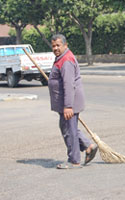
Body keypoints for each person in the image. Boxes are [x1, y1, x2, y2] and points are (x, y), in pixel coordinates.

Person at [48, 34, 97, 169]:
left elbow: (69, 85)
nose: (56, 48)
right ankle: (88, 146)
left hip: (70, 103)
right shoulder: (61, 58)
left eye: (58, 45)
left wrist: (68, 106)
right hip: (66, 103)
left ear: (65, 45)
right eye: (53, 46)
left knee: (70, 130)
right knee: (69, 128)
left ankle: (74, 160)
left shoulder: (67, 61)